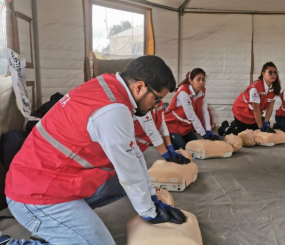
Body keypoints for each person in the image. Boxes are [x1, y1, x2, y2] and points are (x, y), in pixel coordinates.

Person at [2, 56, 186, 245]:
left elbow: (133, 155)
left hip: (52, 179)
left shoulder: (107, 85)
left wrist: (151, 198)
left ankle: (63, 229)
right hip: (35, 195)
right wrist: (149, 212)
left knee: (125, 180)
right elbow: (129, 169)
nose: (155, 106)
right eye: (157, 99)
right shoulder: (113, 110)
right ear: (139, 87)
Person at [219, 62, 281, 136]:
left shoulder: (275, 88)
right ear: (263, 73)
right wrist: (261, 127)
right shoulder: (255, 88)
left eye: (275, 72)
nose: (273, 74)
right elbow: (256, 109)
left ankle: (235, 124)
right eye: (270, 72)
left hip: (253, 115)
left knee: (257, 133)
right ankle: (225, 128)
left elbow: (270, 107)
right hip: (241, 112)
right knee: (245, 136)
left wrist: (266, 122)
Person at [164, 68, 219, 150]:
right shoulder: (184, 92)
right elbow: (191, 116)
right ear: (191, 81)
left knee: (194, 146)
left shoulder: (202, 91)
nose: (201, 82)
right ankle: (164, 137)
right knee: (181, 147)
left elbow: (205, 111)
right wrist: (203, 134)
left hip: (185, 127)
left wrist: (208, 129)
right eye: (198, 79)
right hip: (173, 125)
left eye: (203, 79)